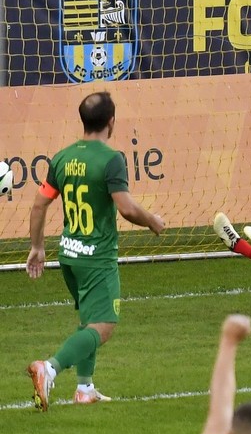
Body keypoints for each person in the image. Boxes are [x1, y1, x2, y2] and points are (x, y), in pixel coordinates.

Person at [25, 91, 165, 411]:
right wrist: (153, 222)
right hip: (96, 258)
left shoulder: (61, 157)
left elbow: (39, 204)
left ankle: (85, 389)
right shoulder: (110, 159)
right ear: (111, 122)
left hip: (68, 255)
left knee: (89, 321)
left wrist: (36, 247)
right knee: (104, 326)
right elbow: (126, 208)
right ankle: (50, 368)